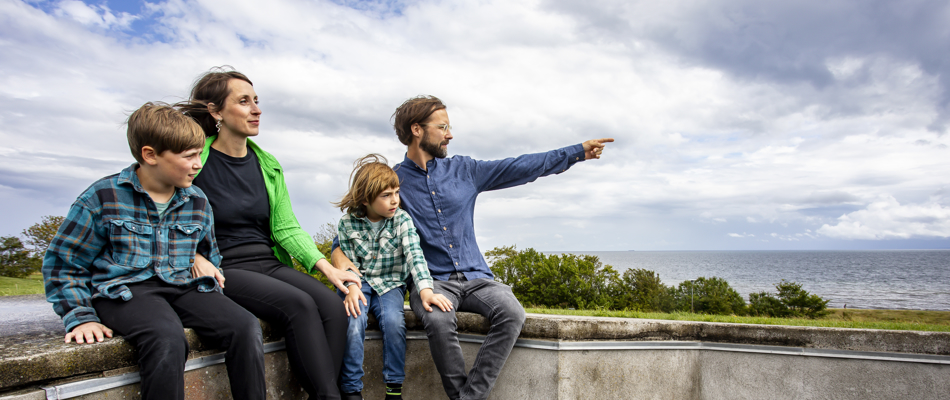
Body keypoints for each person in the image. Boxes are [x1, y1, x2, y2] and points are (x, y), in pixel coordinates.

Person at [332, 95, 613, 400]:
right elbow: (345, 242)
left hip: (478, 278)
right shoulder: (394, 183)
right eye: (443, 127)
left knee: (512, 313)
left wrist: (576, 152)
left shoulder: (465, 170)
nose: (450, 134)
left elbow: (520, 166)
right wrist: (349, 278)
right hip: (432, 282)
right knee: (439, 321)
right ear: (417, 129)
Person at [42, 102, 265, 400]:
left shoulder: (197, 200)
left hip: (182, 287)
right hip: (125, 292)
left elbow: (208, 251)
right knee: (167, 337)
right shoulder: (102, 197)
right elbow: (64, 264)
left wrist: (207, 265)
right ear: (150, 155)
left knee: (246, 325)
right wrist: (80, 316)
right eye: (189, 157)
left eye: (199, 154)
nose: (199, 163)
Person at [179, 67, 362, 400]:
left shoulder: (268, 164)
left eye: (257, 101)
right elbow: (167, 217)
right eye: (244, 101)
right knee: (299, 306)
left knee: (333, 309)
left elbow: (287, 227)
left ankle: (322, 393)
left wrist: (327, 268)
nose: (256, 109)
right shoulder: (194, 160)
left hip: (269, 262)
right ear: (216, 111)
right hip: (226, 268)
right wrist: (195, 256)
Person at [332, 154, 453, 400]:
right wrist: (351, 287)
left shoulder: (402, 220)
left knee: (394, 324)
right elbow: (347, 263)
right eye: (386, 196)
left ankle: (393, 388)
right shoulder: (347, 224)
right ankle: (351, 389)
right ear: (366, 199)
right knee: (353, 324)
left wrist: (425, 289)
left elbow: (415, 256)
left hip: (390, 285)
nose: (394, 200)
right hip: (358, 282)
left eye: (396, 192)